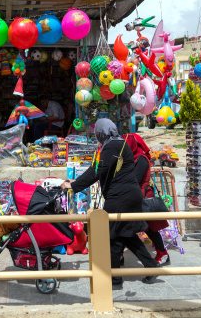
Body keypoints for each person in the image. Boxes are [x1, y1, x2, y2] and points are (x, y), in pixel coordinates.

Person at [61, 119, 161, 289]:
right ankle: (151, 267)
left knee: (111, 237)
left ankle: (114, 280)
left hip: (121, 198)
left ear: (102, 132)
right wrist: (75, 181)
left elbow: (97, 171)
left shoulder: (113, 146)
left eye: (96, 132)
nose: (95, 134)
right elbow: (97, 167)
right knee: (126, 234)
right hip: (127, 196)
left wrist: (74, 186)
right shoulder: (115, 144)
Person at [123, 133, 170, 265]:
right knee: (124, 226)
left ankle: (163, 253)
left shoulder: (141, 159)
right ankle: (119, 254)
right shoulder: (132, 158)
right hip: (134, 196)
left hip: (143, 196)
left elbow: (135, 179)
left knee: (150, 228)